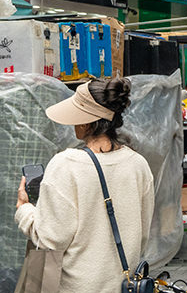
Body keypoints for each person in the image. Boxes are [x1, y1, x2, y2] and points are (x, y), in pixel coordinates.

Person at [16, 78, 155, 292]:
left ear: (85, 122)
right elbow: (142, 234)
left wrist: (25, 210)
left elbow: (50, 241)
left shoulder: (66, 165)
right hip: (123, 286)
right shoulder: (138, 164)